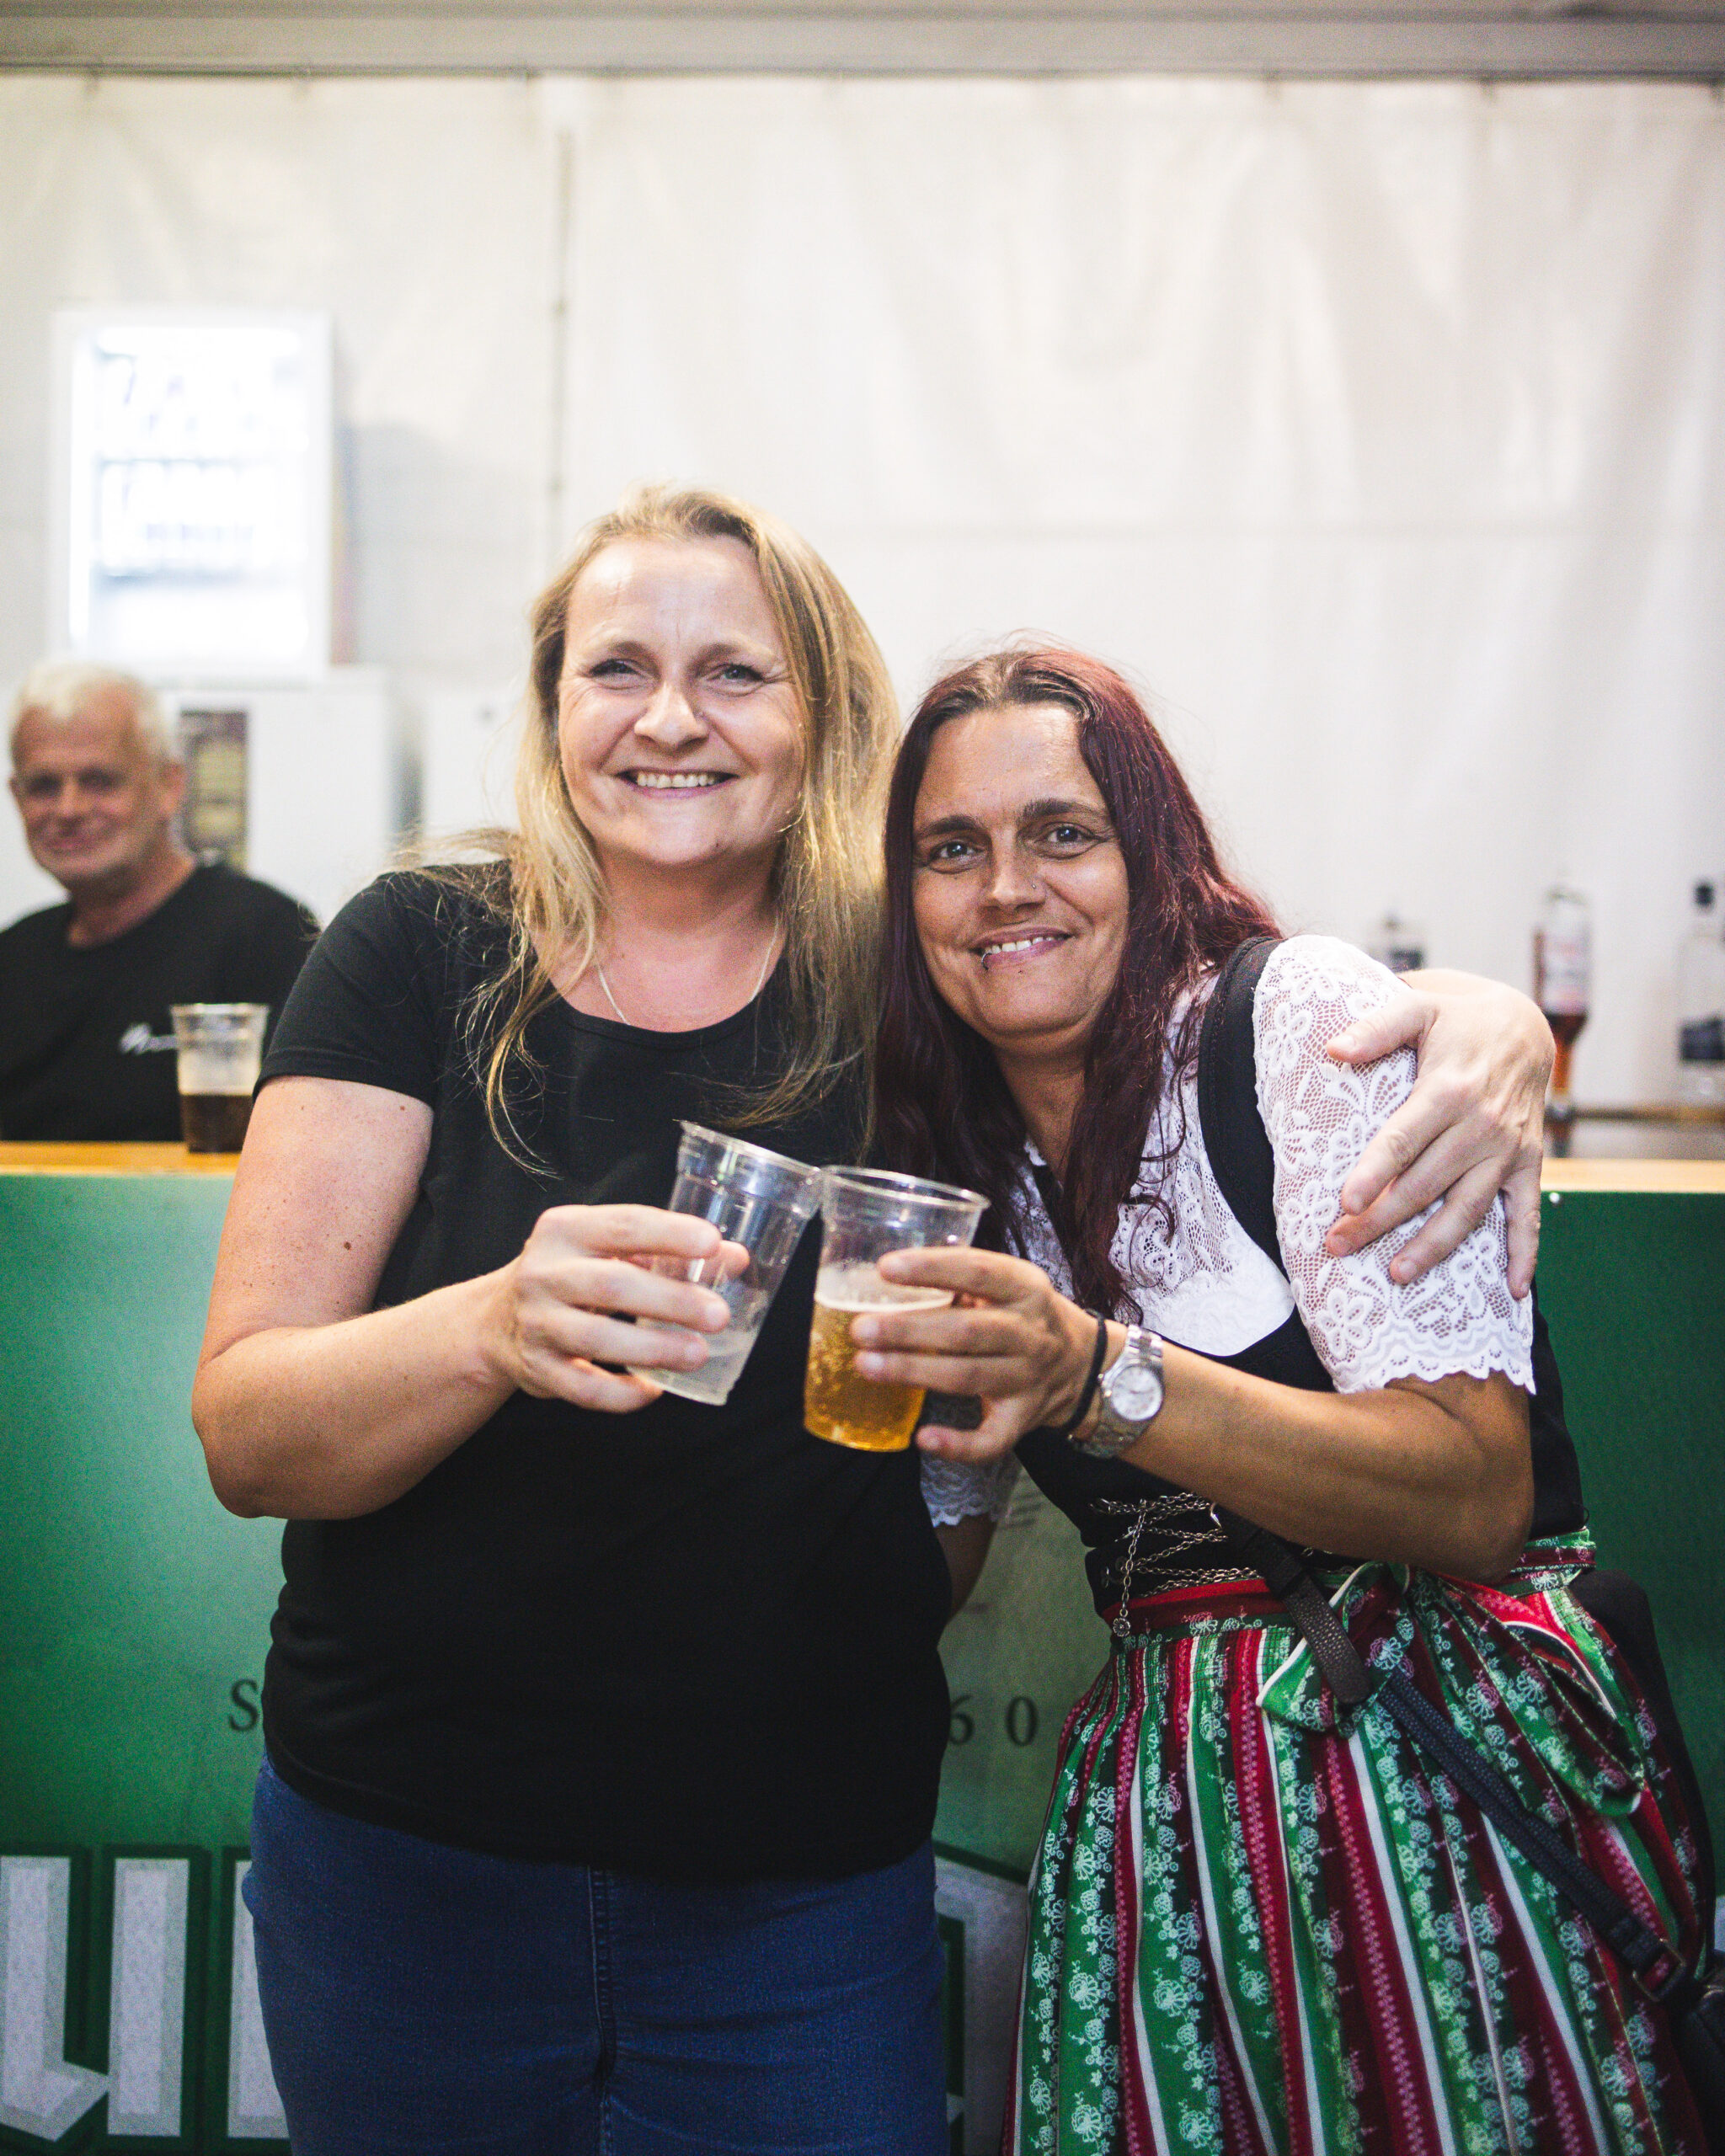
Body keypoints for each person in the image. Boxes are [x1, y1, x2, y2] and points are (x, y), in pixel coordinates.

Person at [190, 488, 1557, 2156]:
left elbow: (1181, 975)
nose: (671, 717)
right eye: (616, 667)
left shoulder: (908, 980)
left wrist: (1486, 1021)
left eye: (733, 672)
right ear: (549, 708)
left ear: (824, 713)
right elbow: (248, 1434)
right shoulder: (420, 948)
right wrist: (486, 1325)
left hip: (796, 1883)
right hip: (409, 1854)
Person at [859, 647, 1709, 2154]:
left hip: (1430, 1765)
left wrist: (1098, 1376)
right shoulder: (952, 1156)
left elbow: (1473, 1492)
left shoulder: (1286, 1028)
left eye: (1063, 832)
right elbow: (931, 1567)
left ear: (1150, 853)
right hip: (1168, 1808)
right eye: (950, 849)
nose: (1005, 887)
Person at [1, 663, 317, 1140]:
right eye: (43, 785)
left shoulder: (269, 936)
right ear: (16, 797)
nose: (68, 809)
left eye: (100, 781)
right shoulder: (13, 958)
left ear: (169, 786)